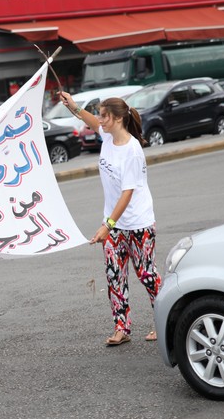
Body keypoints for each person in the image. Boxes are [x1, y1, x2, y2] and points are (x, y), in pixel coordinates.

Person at [59, 91, 162, 346]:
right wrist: (73, 106)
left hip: (138, 223)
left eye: (104, 116)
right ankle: (121, 328)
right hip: (114, 224)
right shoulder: (107, 135)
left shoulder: (133, 150)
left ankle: (165, 321)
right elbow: (91, 122)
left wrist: (108, 226)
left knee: (147, 274)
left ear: (117, 119)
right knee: (115, 275)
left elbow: (127, 194)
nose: (100, 120)